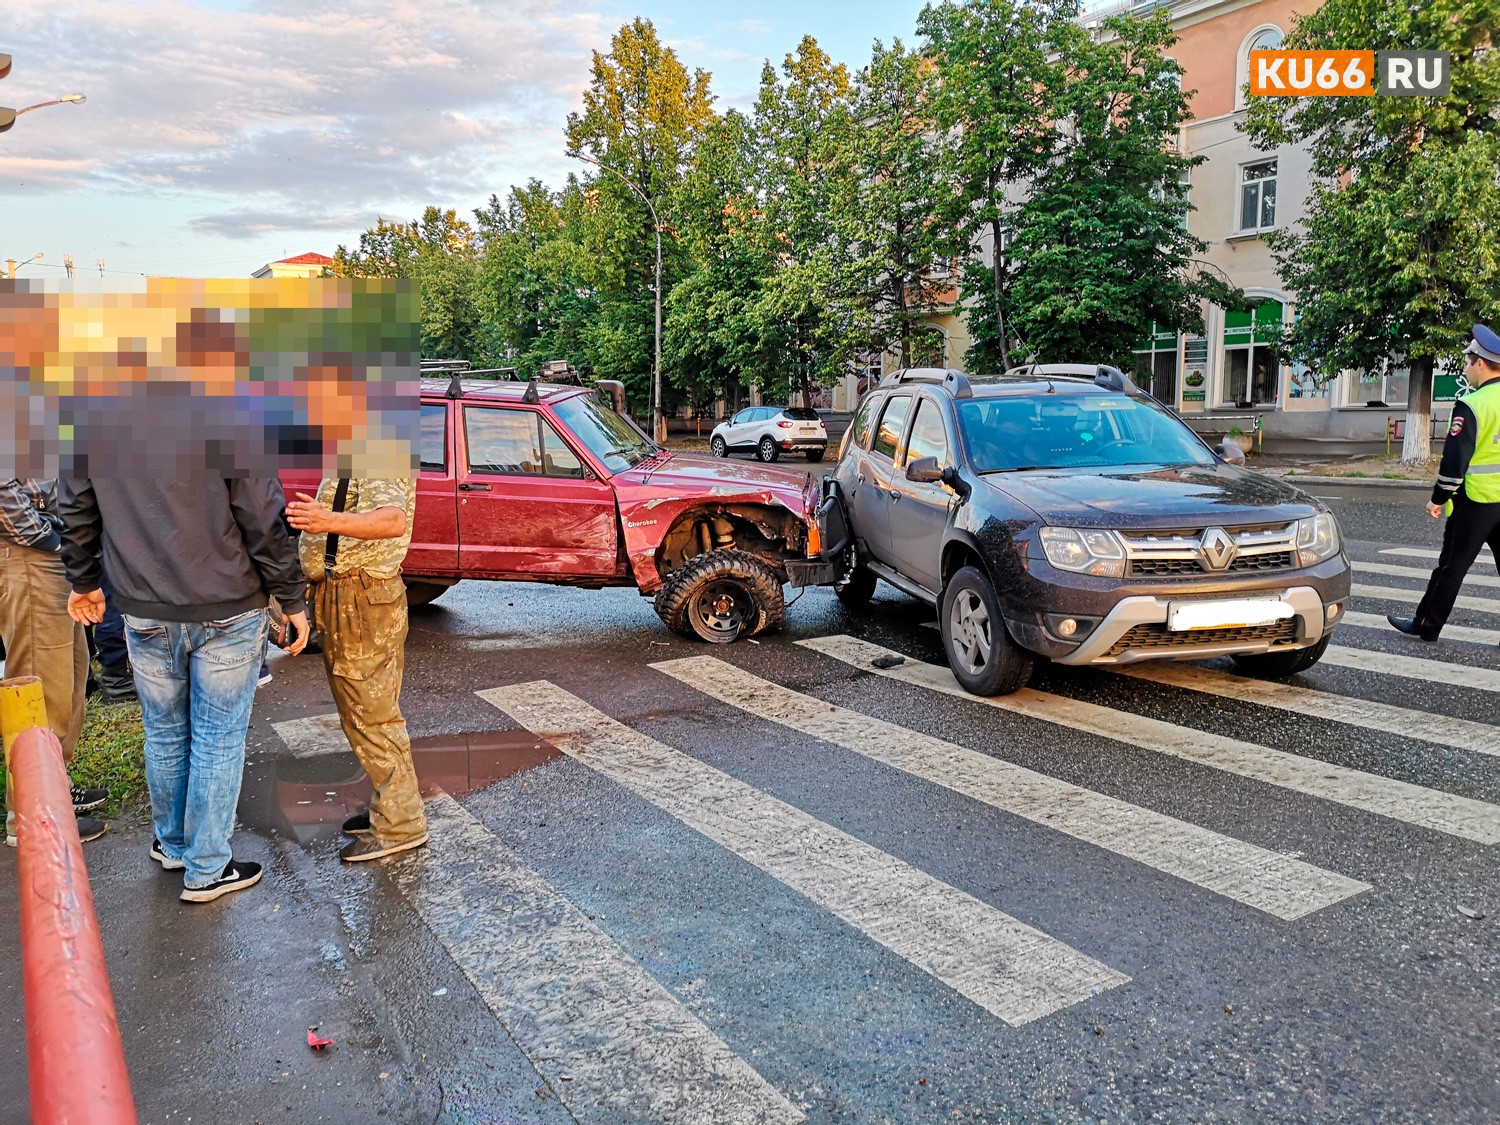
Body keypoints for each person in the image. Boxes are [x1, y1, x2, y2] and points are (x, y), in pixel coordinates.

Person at [58, 479, 308, 902]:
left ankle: (173, 845)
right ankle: (207, 868)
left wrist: (84, 581)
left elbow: (76, 508)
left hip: (144, 603)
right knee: (218, 741)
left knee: (165, 732)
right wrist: (292, 597)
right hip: (227, 602)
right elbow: (262, 514)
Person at [286, 478, 427, 862]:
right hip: (350, 594)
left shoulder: (376, 444)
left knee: (372, 714)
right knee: (363, 711)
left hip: (359, 598)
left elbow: (392, 521)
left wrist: (325, 520)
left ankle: (400, 823)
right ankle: (394, 806)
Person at [0, 479, 109, 843]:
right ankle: (32, 814)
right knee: (39, 685)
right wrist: (49, 538)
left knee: (68, 680)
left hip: (45, 552)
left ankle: (53, 788)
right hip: (27, 555)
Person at [1388, 324, 1500, 642]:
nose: (1466, 368)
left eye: (1467, 362)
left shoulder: (1472, 404)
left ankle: (1427, 624)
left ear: (1480, 362)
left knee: (1451, 566)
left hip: (1475, 503)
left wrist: (1438, 498)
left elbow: (1454, 462)